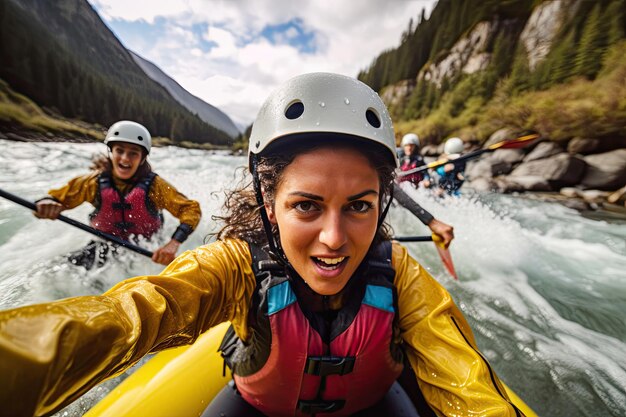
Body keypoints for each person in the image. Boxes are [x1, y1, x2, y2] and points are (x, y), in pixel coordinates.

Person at [0, 73, 524, 417]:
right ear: (268, 203)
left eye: (360, 206)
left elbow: (465, 379)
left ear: (383, 203)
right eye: (307, 205)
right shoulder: (236, 265)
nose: (335, 239)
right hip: (257, 407)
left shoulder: (402, 272)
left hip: (377, 405)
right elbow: (132, 313)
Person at [34, 120, 201, 267]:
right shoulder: (92, 183)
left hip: (148, 248)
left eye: (133, 153)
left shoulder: (156, 186)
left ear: (143, 158)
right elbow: (54, 199)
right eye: (119, 150)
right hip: (104, 246)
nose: (125, 159)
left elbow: (191, 210)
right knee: (55, 270)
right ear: (111, 152)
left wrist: (173, 243)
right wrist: (47, 205)